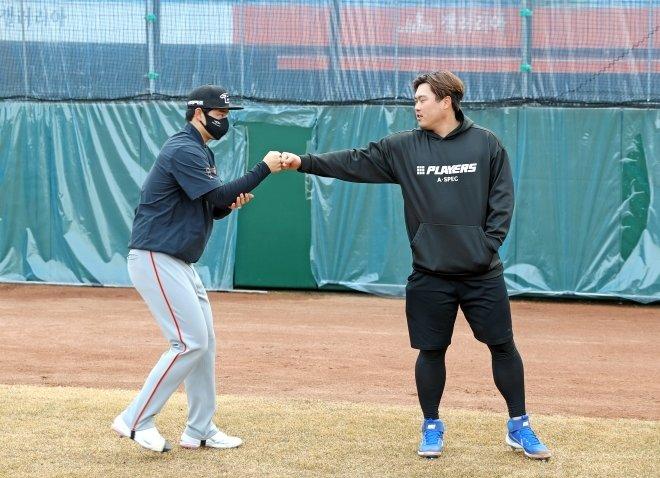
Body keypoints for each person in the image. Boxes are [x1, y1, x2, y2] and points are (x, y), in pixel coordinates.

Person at [281, 71, 551, 460]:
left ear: (446, 101)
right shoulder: (404, 148)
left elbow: (502, 200)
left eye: (423, 99)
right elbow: (355, 162)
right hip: (430, 274)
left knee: (502, 346)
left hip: (481, 274)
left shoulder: (485, 143)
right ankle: (431, 427)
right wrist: (304, 162)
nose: (416, 106)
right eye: (415, 100)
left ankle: (519, 426)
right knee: (431, 350)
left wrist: (485, 245)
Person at [111, 84, 284, 452]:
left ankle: (199, 429)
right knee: (188, 342)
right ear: (197, 113)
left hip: (178, 261)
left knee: (204, 344)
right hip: (155, 256)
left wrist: (228, 205)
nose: (223, 121)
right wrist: (263, 169)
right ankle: (135, 419)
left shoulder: (200, 151)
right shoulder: (183, 149)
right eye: (219, 114)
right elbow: (216, 195)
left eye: (225, 115)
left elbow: (213, 205)